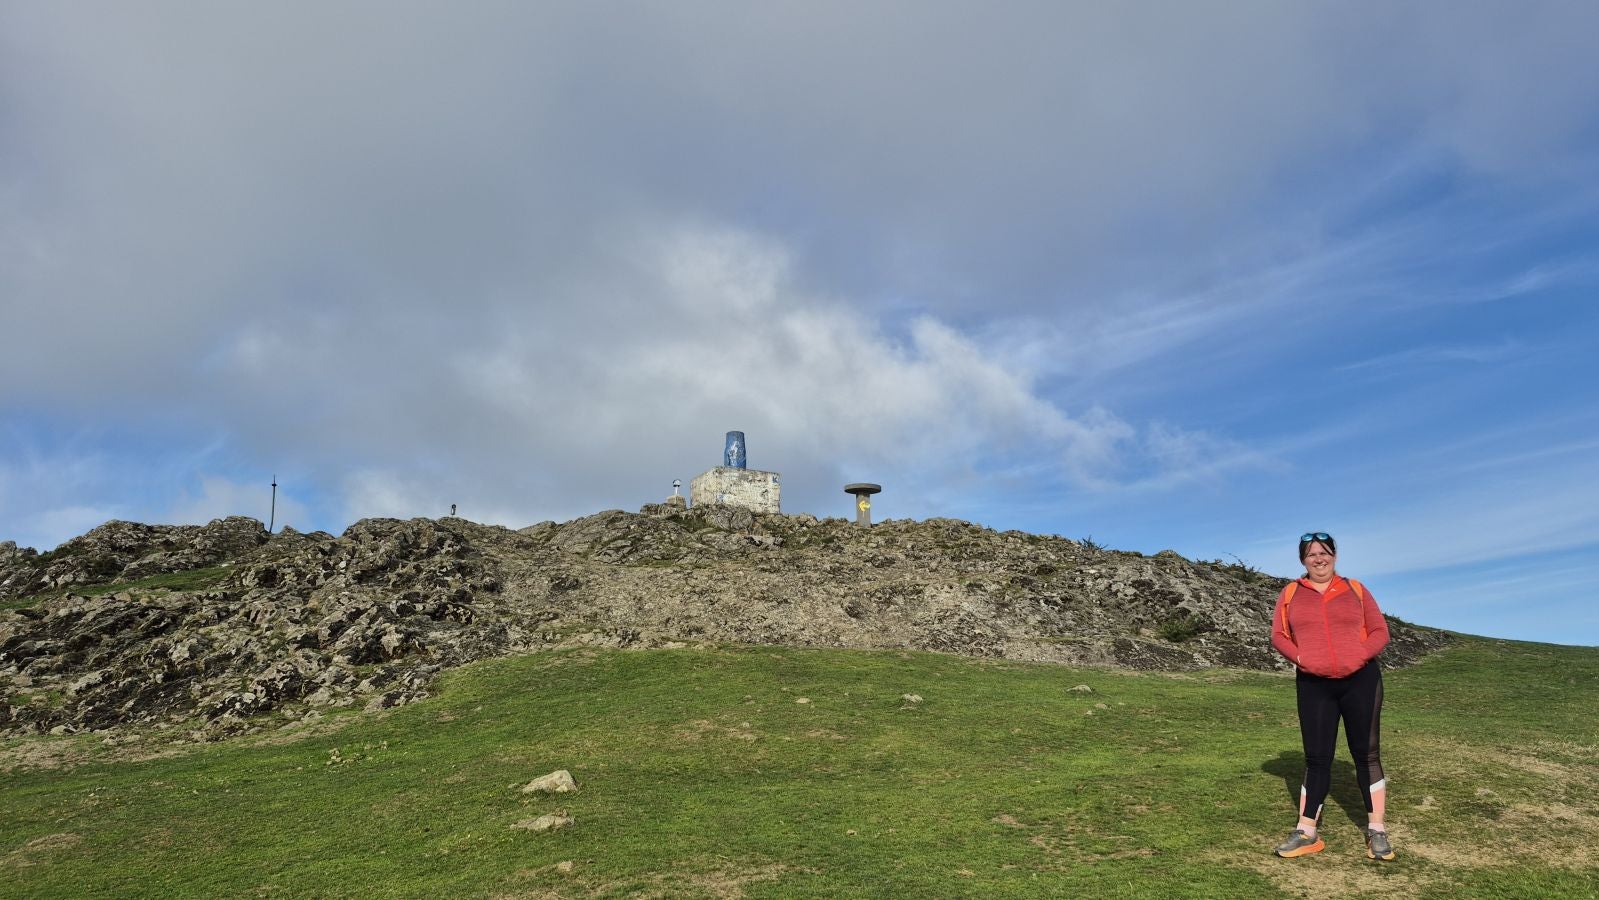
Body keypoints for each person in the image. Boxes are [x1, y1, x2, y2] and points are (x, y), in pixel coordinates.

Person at [1269, 532, 1395, 861]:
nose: (1319, 559)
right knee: (1316, 757)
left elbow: (1380, 631)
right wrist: (1302, 659)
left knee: (1366, 754)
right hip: (1314, 684)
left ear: (1335, 556)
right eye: (1311, 555)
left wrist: (1358, 657)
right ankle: (1307, 831)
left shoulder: (1355, 589)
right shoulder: (1291, 593)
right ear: (1302, 560)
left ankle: (1377, 831)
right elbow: (1279, 635)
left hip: (1361, 680)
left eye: (1324, 553)